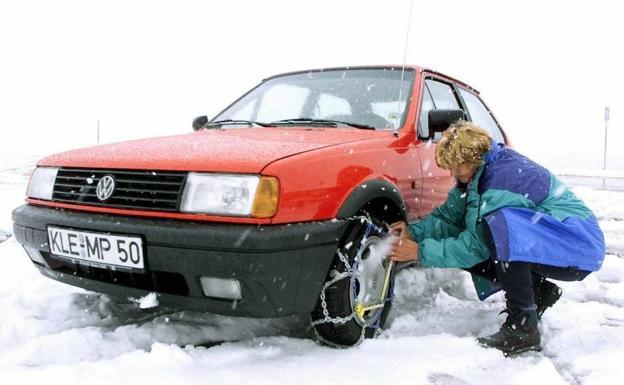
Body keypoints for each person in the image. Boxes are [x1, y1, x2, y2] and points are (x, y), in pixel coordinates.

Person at [388, 120, 605, 355]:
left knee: (497, 233)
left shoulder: (499, 184)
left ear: (471, 158)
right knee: (492, 235)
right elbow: (449, 217)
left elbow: (474, 249)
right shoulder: (476, 175)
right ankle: (537, 294)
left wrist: (419, 252)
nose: (452, 172)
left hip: (577, 243)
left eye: (455, 166)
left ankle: (523, 330)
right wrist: (414, 233)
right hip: (556, 239)